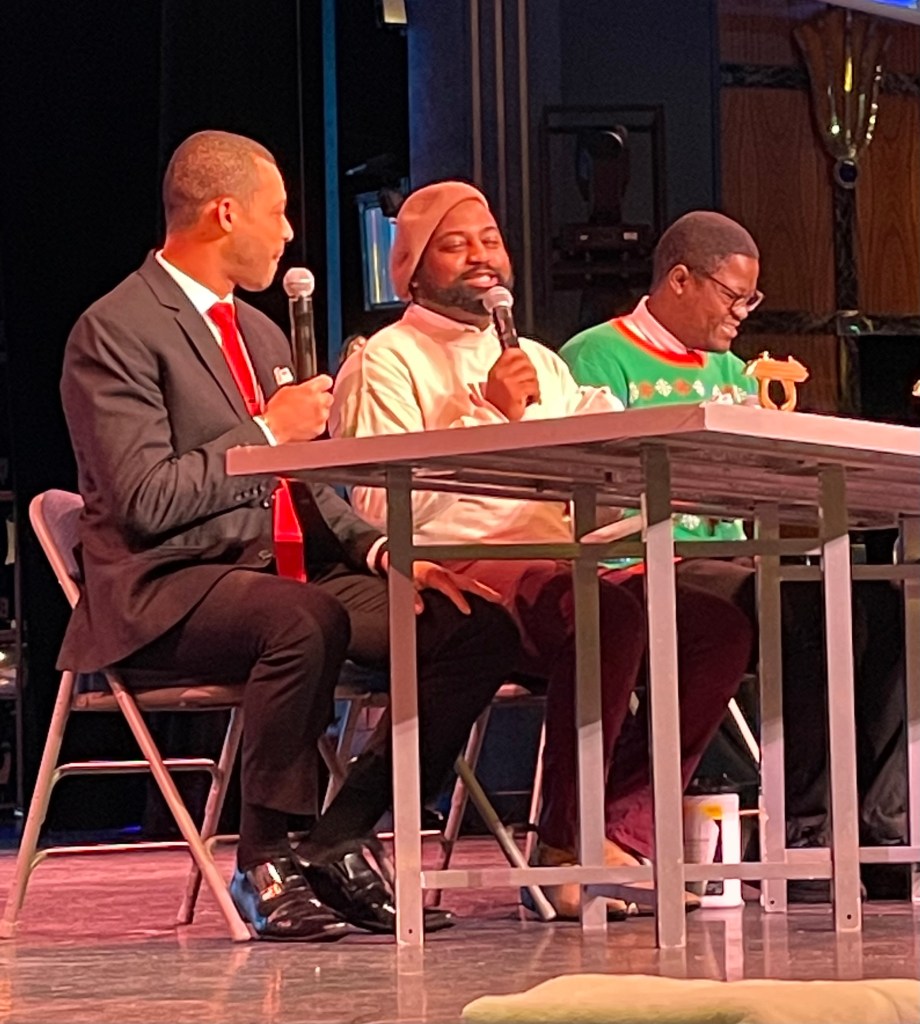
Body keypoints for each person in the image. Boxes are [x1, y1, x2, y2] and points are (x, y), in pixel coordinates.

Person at [59, 132, 520, 941]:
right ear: (224, 213)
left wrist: (386, 554)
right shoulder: (116, 328)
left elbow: (303, 487)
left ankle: (339, 835)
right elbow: (142, 500)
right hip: (169, 583)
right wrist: (268, 433)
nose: (288, 233)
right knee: (303, 619)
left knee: (473, 627)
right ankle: (263, 857)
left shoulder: (263, 334)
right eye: (276, 214)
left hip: (281, 575)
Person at [329, 181, 754, 919]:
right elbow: (380, 506)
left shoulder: (540, 361)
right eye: (455, 245)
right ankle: (562, 848)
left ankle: (618, 825)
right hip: (458, 566)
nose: (480, 256)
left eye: (490, 240)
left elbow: (599, 460)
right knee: (607, 615)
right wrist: (490, 417)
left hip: (566, 561)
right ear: (412, 271)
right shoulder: (387, 360)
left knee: (715, 627)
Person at [561, 210, 908, 899]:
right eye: (733, 295)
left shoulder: (731, 372)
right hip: (643, 562)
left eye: (751, 298)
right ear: (680, 280)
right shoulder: (595, 355)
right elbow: (590, 487)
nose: (743, 313)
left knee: (884, 605)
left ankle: (878, 830)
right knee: (802, 608)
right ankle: (804, 830)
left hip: (736, 559)